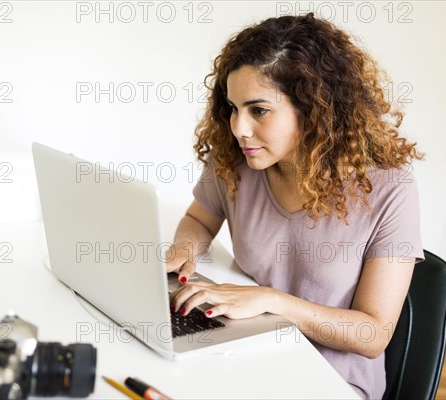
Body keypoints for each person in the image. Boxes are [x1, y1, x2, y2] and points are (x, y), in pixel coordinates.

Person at [166, 13, 424, 399]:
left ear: (315, 109)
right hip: (246, 352)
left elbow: (372, 334)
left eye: (258, 110)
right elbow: (199, 219)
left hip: (328, 380)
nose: (238, 128)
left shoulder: (390, 189)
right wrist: (184, 252)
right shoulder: (237, 160)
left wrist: (269, 301)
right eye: (233, 108)